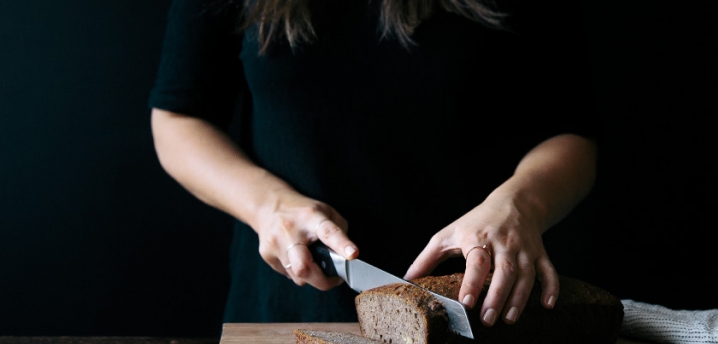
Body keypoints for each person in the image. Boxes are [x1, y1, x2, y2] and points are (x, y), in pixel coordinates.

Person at [149, 0, 598, 327]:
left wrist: (520, 206)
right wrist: (267, 206)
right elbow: (177, 118)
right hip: (291, 313)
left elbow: (573, 134)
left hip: (486, 309)